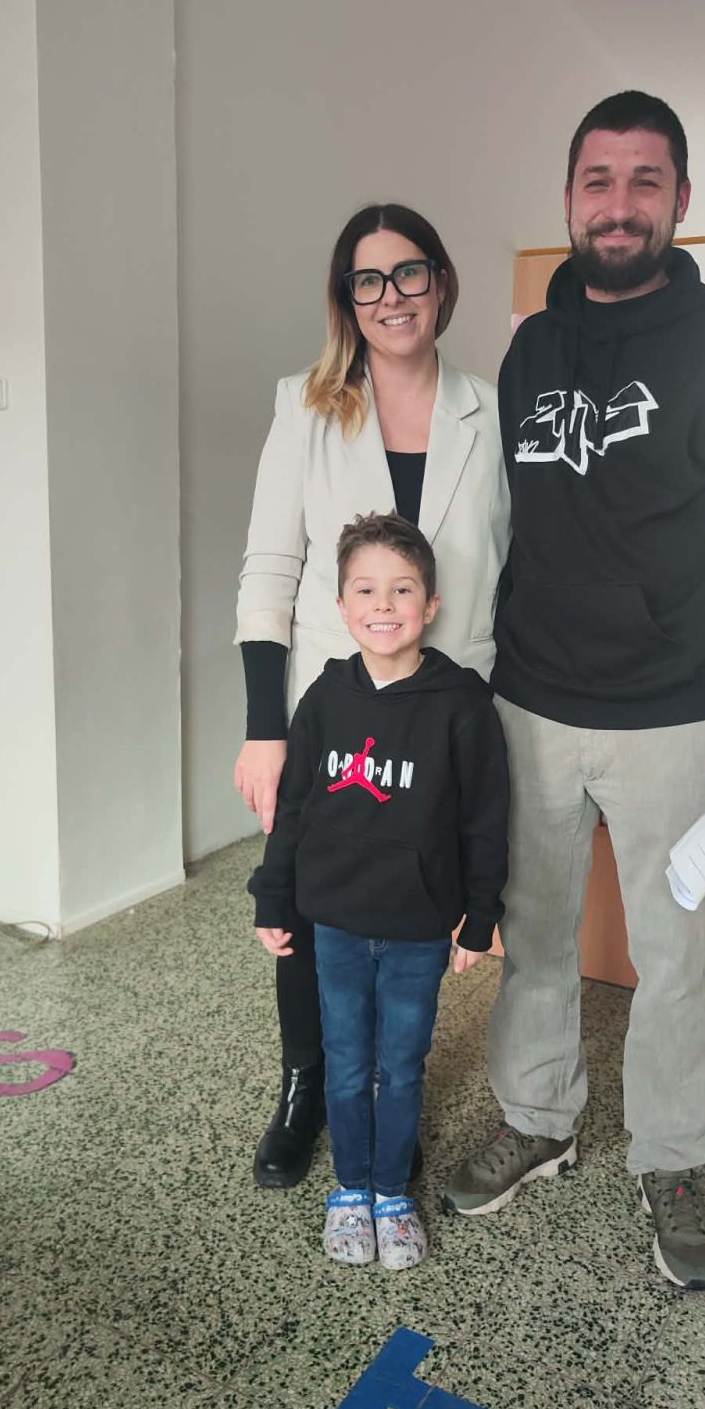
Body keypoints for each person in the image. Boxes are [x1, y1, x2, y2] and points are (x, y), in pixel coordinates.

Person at [442, 91, 705, 1291]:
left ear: (679, 200)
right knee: (536, 936)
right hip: (530, 704)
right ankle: (537, 1119)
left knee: (676, 956)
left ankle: (673, 1159)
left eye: (645, 180)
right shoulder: (530, 351)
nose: (619, 203)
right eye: (598, 180)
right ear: (569, 198)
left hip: (674, 717)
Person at [234, 205, 509, 1189]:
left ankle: (392, 1099)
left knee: (409, 901)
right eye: (368, 279)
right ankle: (305, 1086)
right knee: (312, 903)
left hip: (444, 711)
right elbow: (270, 568)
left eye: (410, 273)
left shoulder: (491, 412)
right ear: (346, 299)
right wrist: (265, 726)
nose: (392, 297)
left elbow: (513, 567)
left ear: (441, 283)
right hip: (330, 706)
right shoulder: (306, 408)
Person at [249, 513, 509, 1268]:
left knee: (401, 1064)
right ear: (341, 606)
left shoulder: (462, 704)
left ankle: (392, 1191)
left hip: (419, 928)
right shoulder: (325, 698)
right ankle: (349, 1188)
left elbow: (486, 820)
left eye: (402, 589)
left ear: (431, 605)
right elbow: (295, 808)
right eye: (365, 589)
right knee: (344, 1059)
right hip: (334, 922)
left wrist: (479, 918)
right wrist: (273, 897)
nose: (384, 604)